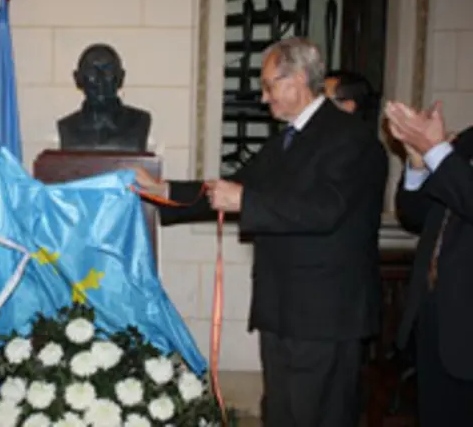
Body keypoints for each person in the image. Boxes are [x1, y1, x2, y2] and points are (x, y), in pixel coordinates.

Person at [134, 37, 388, 427]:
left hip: (325, 316)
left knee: (318, 416)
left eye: (269, 85)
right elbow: (235, 187)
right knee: (282, 415)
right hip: (282, 309)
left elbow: (326, 209)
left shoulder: (349, 137)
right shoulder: (288, 139)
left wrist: (247, 201)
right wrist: (163, 191)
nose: (264, 96)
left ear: (299, 79)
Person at [387, 100, 473, 425]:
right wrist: (417, 160)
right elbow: (416, 215)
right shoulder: (466, 141)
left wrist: (436, 149)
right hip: (438, 316)